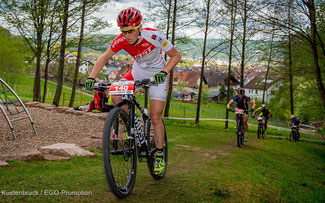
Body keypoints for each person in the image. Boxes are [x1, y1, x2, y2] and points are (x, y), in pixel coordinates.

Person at [85, 7, 181, 175]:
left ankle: (159, 154)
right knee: (115, 94)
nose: (127, 36)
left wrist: (164, 72)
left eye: (131, 31)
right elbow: (103, 58)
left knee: (156, 116)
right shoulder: (121, 40)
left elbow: (176, 55)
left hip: (158, 73)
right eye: (123, 32)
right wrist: (91, 77)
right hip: (138, 71)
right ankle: (132, 125)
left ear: (139, 27)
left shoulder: (153, 36)